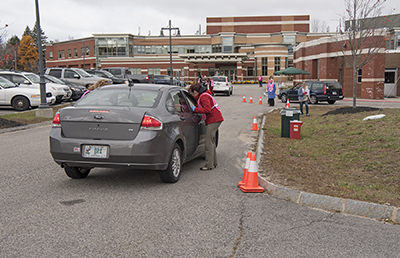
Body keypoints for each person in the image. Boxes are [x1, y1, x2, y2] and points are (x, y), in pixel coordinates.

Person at [188, 83, 224, 171]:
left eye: (192, 93)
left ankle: (208, 165)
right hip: (215, 119)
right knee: (211, 142)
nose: (192, 95)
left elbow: (207, 109)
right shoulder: (204, 95)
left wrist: (195, 110)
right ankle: (213, 163)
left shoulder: (204, 97)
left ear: (196, 91)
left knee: (208, 143)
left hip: (213, 120)